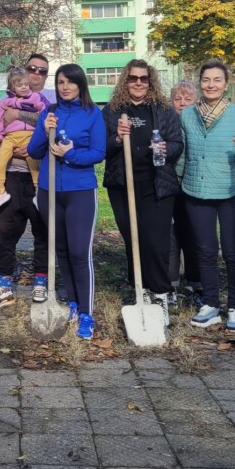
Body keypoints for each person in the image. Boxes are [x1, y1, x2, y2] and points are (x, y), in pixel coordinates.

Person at [28, 64, 107, 339]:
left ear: (80, 85)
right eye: (61, 82)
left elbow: (98, 153)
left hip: (80, 192)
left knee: (79, 252)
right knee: (60, 250)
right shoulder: (49, 113)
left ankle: (87, 313)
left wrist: (70, 154)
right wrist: (44, 128)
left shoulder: (92, 113)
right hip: (50, 191)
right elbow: (33, 150)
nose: (65, 87)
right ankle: (72, 303)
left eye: (71, 82)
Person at [102, 60, 183, 325]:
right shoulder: (112, 111)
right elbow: (100, 148)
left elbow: (177, 144)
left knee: (155, 240)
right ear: (125, 81)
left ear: (151, 82)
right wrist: (116, 138)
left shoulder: (162, 111)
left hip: (157, 185)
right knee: (132, 239)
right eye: (133, 78)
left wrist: (164, 150)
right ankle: (140, 288)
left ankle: (160, 292)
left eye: (144, 79)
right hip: (122, 184)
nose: (138, 83)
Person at [179, 59, 235, 333]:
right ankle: (210, 304)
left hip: (229, 190)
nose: (211, 85)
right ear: (200, 83)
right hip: (195, 190)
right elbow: (182, 153)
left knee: (233, 252)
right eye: (206, 80)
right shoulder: (188, 115)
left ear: (226, 84)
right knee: (205, 251)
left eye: (217, 80)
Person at [0, 53, 52, 308]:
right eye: (32, 69)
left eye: (42, 71)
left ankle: (40, 280)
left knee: (43, 230)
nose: (36, 74)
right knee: (4, 231)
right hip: (12, 175)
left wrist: (21, 121)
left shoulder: (48, 100)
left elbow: (50, 125)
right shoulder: (5, 101)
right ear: (23, 74)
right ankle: (4, 282)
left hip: (40, 177)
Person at [0, 67, 48, 209]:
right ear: (12, 87)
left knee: (33, 162)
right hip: (10, 137)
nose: (24, 87)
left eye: (26, 84)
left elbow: (45, 113)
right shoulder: (5, 102)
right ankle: (0, 190)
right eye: (19, 85)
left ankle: (38, 191)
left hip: (29, 136)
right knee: (0, 160)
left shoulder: (36, 97)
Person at [169, 80, 202, 306]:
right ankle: (170, 284)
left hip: (194, 185)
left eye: (187, 99)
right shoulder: (167, 122)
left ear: (196, 101)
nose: (182, 103)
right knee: (170, 235)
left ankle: (195, 283)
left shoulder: (199, 123)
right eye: (177, 99)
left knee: (193, 234)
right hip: (170, 186)